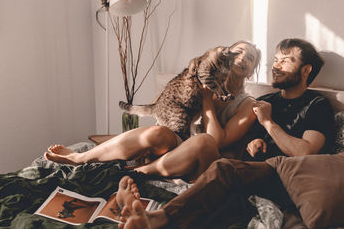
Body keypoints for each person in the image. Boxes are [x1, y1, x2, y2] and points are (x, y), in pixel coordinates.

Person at [114, 38, 335, 229]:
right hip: (249, 170)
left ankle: (158, 217)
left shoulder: (317, 105)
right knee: (223, 194)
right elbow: (244, 144)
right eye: (276, 60)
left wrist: (267, 123)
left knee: (223, 169)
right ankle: (133, 178)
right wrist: (255, 142)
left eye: (285, 61)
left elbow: (305, 152)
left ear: (306, 70)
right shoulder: (267, 101)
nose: (276, 66)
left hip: (283, 174)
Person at [44, 40, 262, 181]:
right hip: (179, 147)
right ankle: (80, 158)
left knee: (203, 140)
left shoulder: (248, 104)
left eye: (250, 57)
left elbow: (216, 141)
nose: (242, 58)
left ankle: (135, 172)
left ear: (252, 72)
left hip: (205, 161)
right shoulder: (204, 77)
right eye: (238, 52)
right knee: (158, 133)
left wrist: (207, 99)